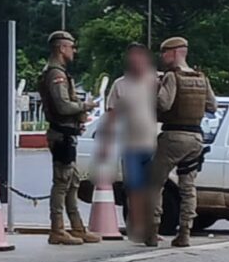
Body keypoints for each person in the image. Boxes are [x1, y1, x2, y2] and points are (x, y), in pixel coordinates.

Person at [145, 36, 217, 247]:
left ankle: (152, 231)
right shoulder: (201, 77)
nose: (162, 57)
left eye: (165, 53)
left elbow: (164, 104)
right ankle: (185, 232)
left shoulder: (172, 76)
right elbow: (212, 106)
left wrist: (153, 90)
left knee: (155, 183)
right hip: (196, 138)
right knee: (188, 187)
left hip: (174, 136)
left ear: (175, 52)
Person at [38, 31, 100, 245]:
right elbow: (63, 106)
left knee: (72, 182)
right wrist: (84, 106)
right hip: (61, 135)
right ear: (61, 48)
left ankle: (77, 227)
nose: (74, 51)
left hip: (67, 133)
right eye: (71, 47)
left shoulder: (59, 73)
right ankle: (57, 229)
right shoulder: (56, 74)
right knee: (62, 183)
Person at [102, 43, 157, 242]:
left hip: (153, 144)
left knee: (153, 189)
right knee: (134, 188)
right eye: (132, 57)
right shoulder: (120, 85)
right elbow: (111, 114)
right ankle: (137, 228)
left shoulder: (155, 81)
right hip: (130, 145)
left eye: (140, 57)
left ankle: (152, 228)